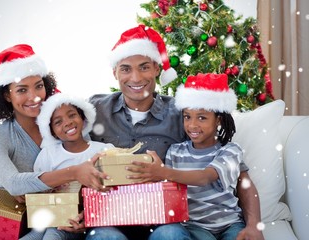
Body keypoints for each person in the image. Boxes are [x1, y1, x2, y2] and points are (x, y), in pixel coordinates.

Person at [87, 25, 265, 240]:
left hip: (162, 220)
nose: (135, 78)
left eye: (144, 67)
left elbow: (238, 175)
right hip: (111, 217)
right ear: (114, 72)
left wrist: (254, 224)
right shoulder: (94, 110)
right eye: (125, 69)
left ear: (156, 69)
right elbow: (64, 146)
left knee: (171, 234)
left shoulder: (182, 114)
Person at [0, 44, 109, 239]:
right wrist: (73, 172)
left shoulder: (66, 125)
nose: (35, 97)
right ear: (7, 95)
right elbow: (14, 184)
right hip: (18, 223)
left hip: (63, 220)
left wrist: (87, 216)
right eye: (22, 90)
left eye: (39, 86)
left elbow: (89, 171)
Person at [130, 73, 246, 239]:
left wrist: (163, 172)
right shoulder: (175, 152)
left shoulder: (230, 150)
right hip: (194, 225)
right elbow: (170, 192)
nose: (192, 125)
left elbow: (205, 177)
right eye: (187, 117)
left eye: (202, 118)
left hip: (229, 223)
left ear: (218, 120)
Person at [23, 93, 115, 240]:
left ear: (83, 118)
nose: (67, 123)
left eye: (72, 115)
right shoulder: (48, 155)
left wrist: (90, 215)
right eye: (58, 122)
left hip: (93, 221)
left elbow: (115, 190)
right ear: (52, 131)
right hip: (57, 220)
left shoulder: (104, 150)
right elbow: (39, 192)